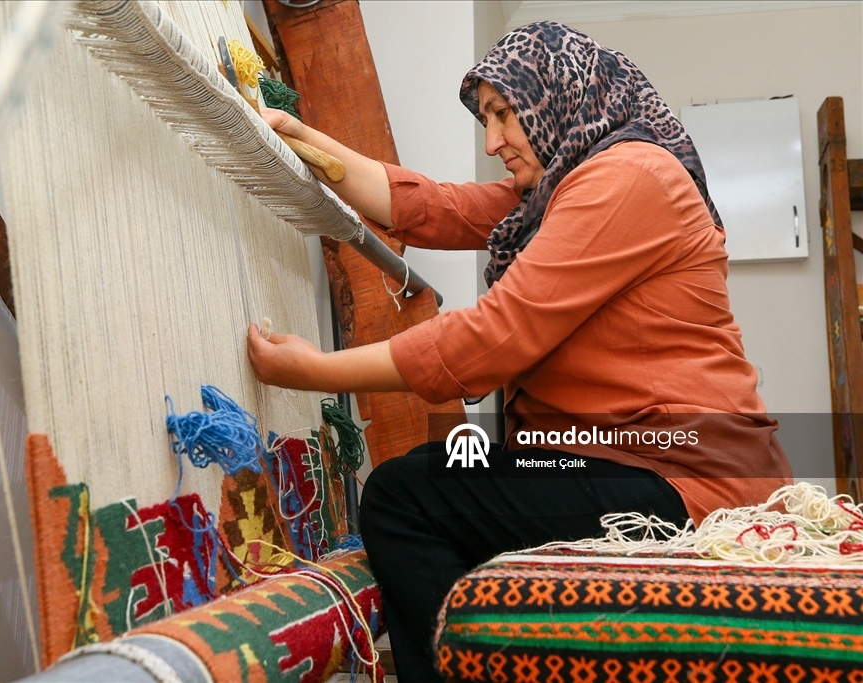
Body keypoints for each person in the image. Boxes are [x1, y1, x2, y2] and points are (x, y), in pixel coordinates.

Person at [247, 22, 792, 682]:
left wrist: (314, 372)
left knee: (403, 497)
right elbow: (437, 208)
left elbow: (495, 337)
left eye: (504, 114)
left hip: (684, 478)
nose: (492, 141)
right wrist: (296, 136)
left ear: (559, 96)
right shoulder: (564, 186)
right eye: (486, 119)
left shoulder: (627, 178)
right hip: (633, 461)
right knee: (430, 474)